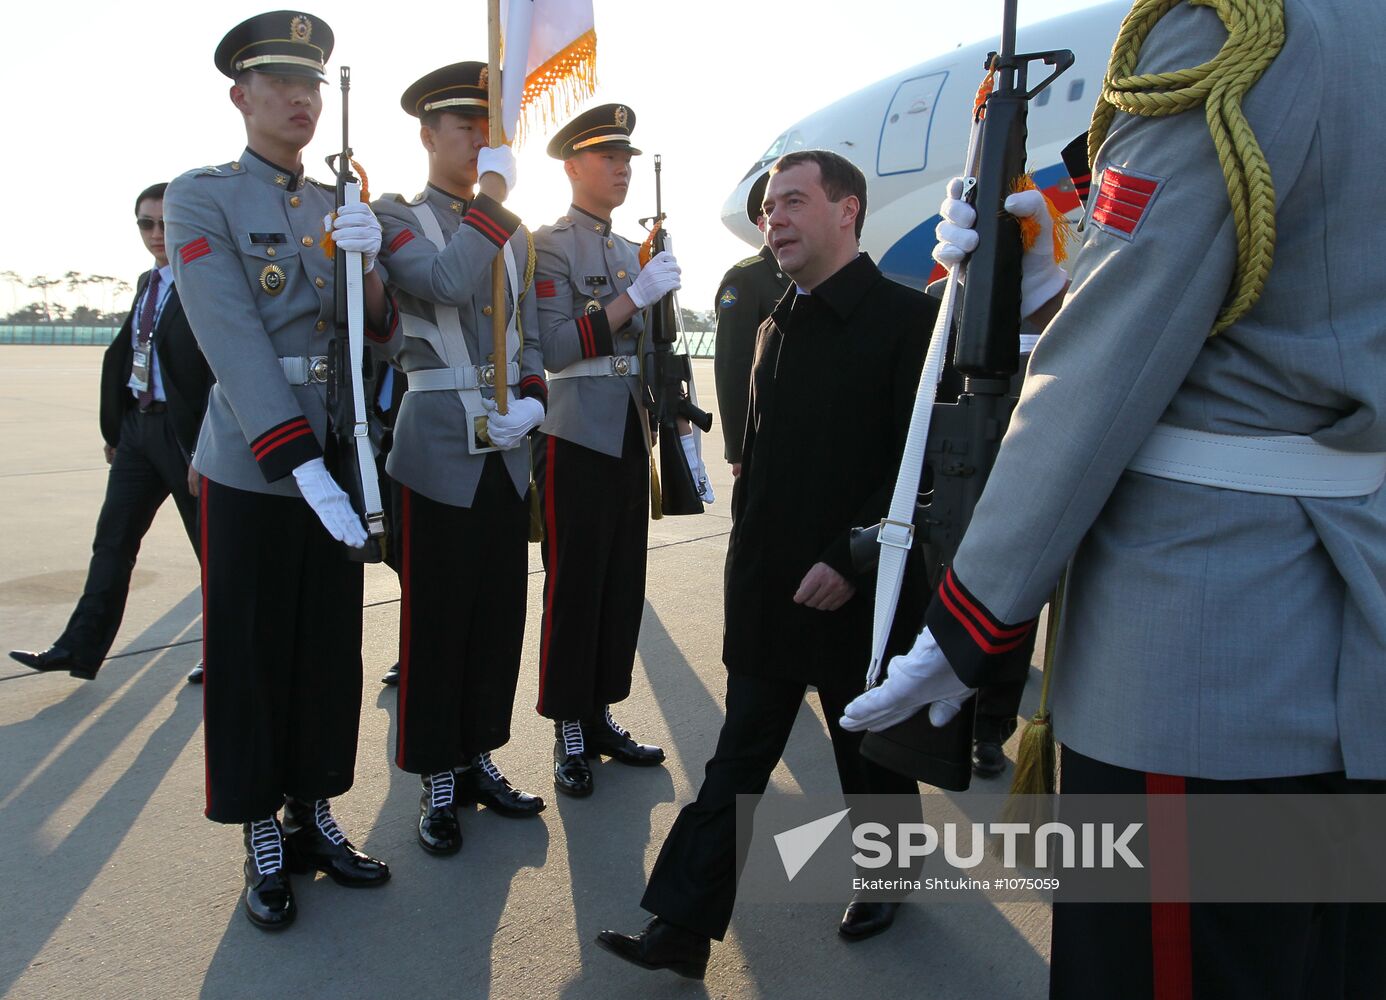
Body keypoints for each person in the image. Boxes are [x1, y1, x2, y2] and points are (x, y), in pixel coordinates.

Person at [842, 1, 1386, 995]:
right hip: (1351, 627)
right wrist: (1051, 283)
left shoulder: (1233, 30)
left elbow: (1115, 359)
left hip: (1202, 650)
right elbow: (1282, 327)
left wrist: (968, 620)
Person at [596, 149, 930, 980]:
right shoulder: (775, 322)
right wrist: (747, 583)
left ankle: (889, 870)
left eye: (791, 202)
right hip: (772, 591)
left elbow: (921, 470)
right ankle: (680, 928)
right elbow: (763, 470)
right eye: (767, 208)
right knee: (738, 760)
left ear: (846, 211)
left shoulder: (906, 323)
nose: (771, 218)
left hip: (858, 589)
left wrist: (853, 556)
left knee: (866, 748)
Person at [163, 10, 395, 932]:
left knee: (327, 649)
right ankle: (261, 823)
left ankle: (313, 809)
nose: (302, 98)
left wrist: (368, 264)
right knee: (252, 652)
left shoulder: (328, 199)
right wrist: (299, 466)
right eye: (281, 83)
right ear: (242, 95)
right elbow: (230, 337)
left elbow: (371, 334)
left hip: (339, 450)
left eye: (313, 84)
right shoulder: (203, 195)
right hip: (261, 466)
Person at [372, 61, 547, 855]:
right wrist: (493, 207)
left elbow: (530, 338)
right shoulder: (394, 216)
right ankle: (435, 773)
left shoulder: (516, 232)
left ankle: (479, 753)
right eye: (466, 126)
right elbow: (440, 283)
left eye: (491, 127)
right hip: (438, 449)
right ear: (427, 134)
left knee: (497, 616)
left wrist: (537, 399)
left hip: (507, 454)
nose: (482, 139)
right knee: (437, 621)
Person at [530, 104, 678, 798]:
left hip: (628, 425)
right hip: (575, 429)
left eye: (626, 158)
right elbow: (556, 346)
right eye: (606, 158)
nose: (621, 168)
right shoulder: (549, 244)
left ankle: (601, 712)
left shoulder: (627, 250)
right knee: (575, 583)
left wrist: (671, 420)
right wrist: (632, 298)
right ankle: (567, 723)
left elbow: (653, 345)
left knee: (621, 582)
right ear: (571, 166)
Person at [10, 183, 213, 684]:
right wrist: (116, 425)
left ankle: (224, 648)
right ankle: (76, 648)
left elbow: (219, 372)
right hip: (138, 432)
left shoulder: (206, 282)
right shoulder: (149, 281)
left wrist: (208, 447)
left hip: (187, 438)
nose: (157, 233)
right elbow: (128, 355)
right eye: (147, 223)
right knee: (112, 542)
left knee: (213, 550)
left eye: (167, 223)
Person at [712, 169, 789, 479]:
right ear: (761, 224)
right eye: (770, 212)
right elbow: (733, 365)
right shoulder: (746, 279)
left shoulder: (811, 275)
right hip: (763, 438)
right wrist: (739, 448)